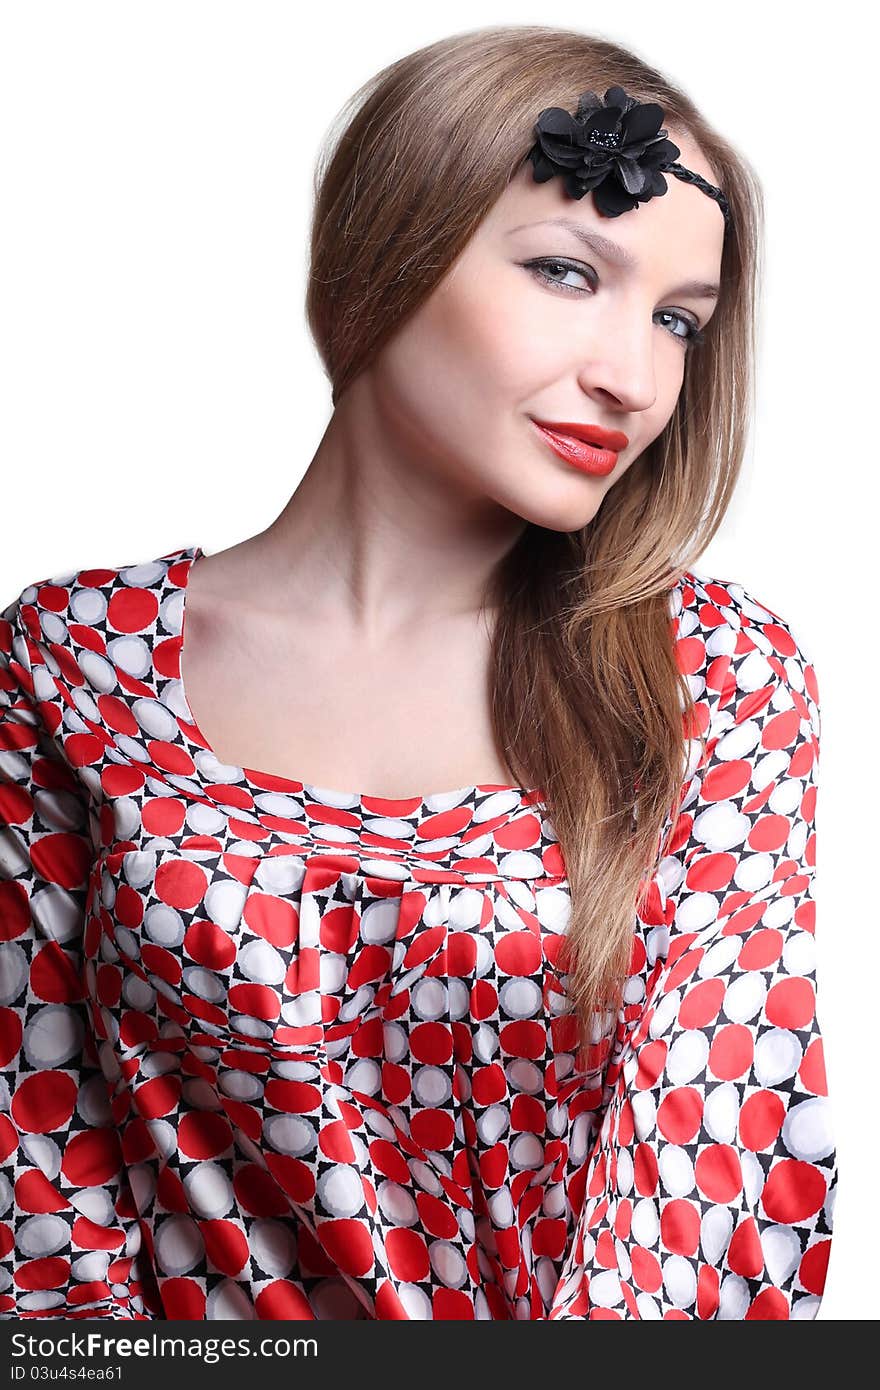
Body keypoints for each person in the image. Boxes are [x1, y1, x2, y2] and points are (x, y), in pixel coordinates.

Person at [0, 25, 836, 1320]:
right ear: (389, 251)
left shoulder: (713, 679)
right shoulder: (75, 662)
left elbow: (705, 1193)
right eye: (568, 272)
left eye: (678, 321)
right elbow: (40, 1197)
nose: (631, 376)